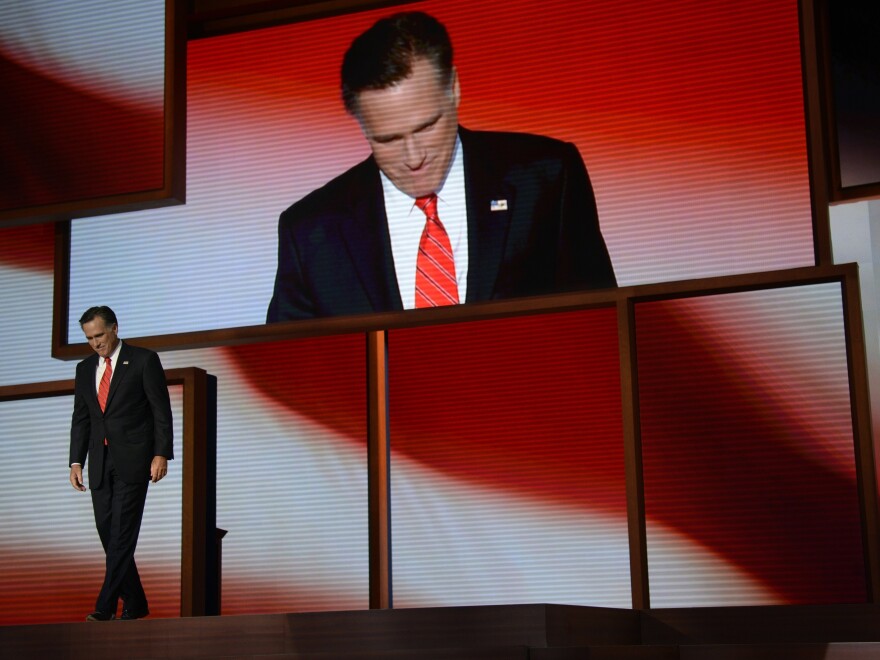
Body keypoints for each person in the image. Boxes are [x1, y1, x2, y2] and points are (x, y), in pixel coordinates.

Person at [266, 11, 615, 322]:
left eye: (427, 126)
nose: (414, 156)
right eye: (387, 140)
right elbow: (291, 370)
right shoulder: (311, 231)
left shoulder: (547, 178)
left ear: (454, 88)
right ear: (360, 125)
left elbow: (601, 325)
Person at [69, 306, 173, 621]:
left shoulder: (143, 360)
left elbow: (160, 410)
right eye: (89, 338)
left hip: (134, 459)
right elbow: (81, 418)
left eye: (99, 335)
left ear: (115, 328)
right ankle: (136, 602)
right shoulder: (84, 368)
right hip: (99, 462)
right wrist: (76, 461)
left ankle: (104, 605)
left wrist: (161, 453)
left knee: (121, 533)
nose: (95, 343)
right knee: (107, 531)